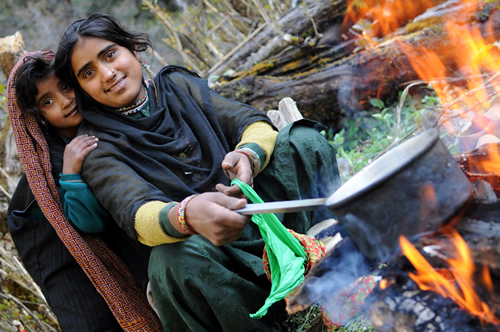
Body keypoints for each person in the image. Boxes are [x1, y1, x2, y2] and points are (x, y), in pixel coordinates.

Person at [54, 13, 342, 331]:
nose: (107, 74)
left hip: (264, 217)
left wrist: (247, 157)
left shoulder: (177, 85)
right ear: (82, 89)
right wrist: (188, 214)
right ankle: (268, 319)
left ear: (133, 48)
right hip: (216, 254)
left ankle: (331, 250)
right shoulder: (97, 146)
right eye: (88, 73)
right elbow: (135, 213)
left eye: (110, 55)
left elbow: (250, 122)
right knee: (171, 262)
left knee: (302, 141)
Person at [7, 50, 162, 331]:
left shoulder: (108, 118)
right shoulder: (49, 173)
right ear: (38, 117)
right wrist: (71, 174)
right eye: (48, 101)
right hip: (64, 255)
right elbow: (89, 223)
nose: (65, 102)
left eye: (66, 87)